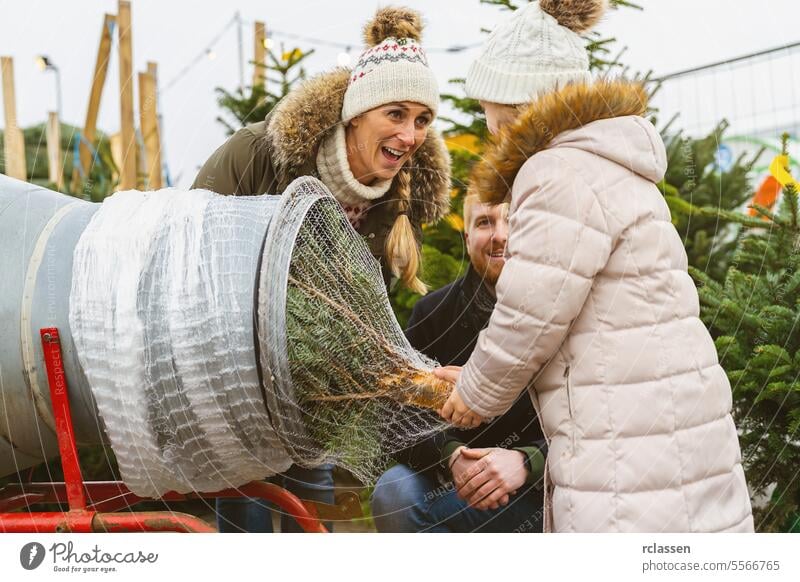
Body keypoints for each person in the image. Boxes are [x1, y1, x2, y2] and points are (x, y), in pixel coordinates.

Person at [436, 0, 754, 532]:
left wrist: (474, 394)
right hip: (663, 408)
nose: (490, 130)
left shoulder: (555, 170)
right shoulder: (615, 163)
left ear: (517, 105)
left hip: (622, 429)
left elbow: (530, 311)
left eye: (490, 111)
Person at [192, 6, 451, 532]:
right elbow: (192, 251)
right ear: (356, 113)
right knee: (251, 527)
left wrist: (411, 378)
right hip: (241, 383)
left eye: (422, 120)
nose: (411, 135)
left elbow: (360, 317)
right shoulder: (259, 155)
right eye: (396, 114)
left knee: (312, 523)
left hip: (318, 398)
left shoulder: (394, 202)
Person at [371, 193, 546, 532]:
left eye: (513, 221)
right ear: (467, 239)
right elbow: (395, 416)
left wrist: (526, 461)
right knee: (395, 493)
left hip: (536, 488)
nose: (500, 235)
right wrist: (452, 457)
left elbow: (590, 419)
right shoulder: (433, 313)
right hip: (451, 480)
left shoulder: (565, 311)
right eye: (485, 222)